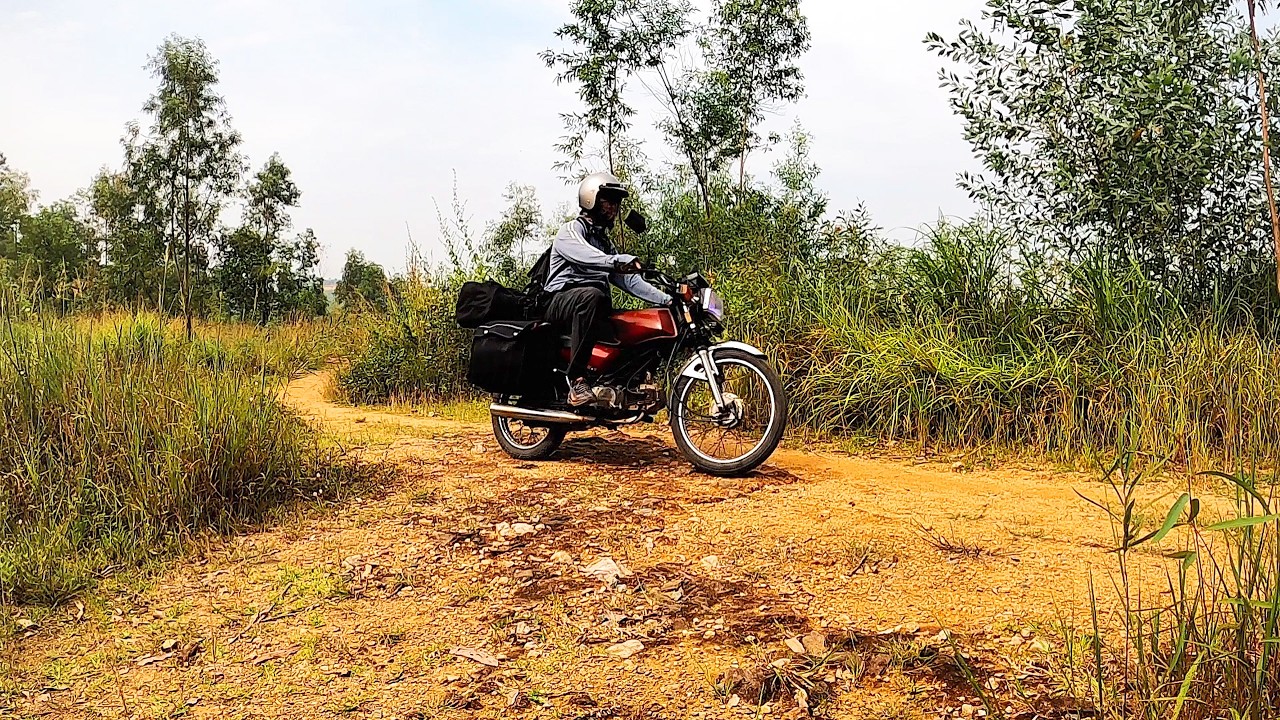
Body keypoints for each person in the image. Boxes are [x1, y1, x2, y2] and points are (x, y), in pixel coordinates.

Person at [543, 172, 669, 406]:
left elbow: (629, 281)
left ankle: (621, 384)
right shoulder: (570, 231)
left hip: (590, 306)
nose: (613, 207)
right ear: (590, 199)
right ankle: (577, 381)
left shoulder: (604, 242)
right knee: (593, 296)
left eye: (616, 202)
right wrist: (617, 260)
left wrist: (667, 299)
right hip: (558, 302)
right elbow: (587, 256)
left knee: (631, 321)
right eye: (608, 200)